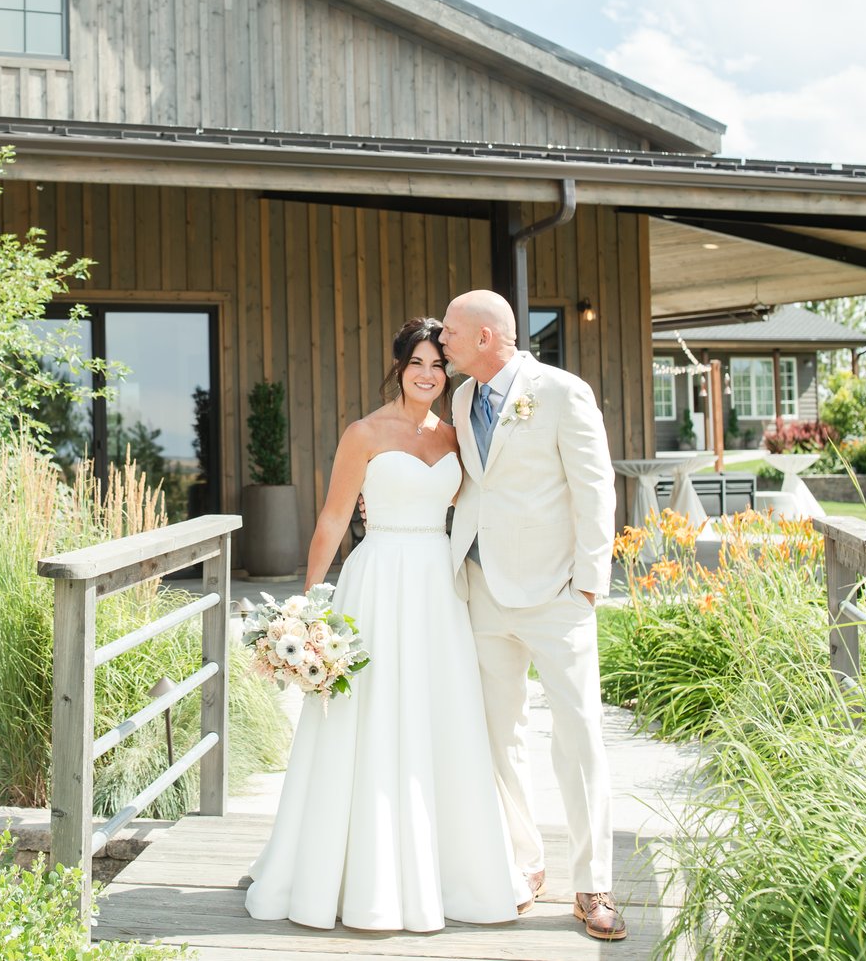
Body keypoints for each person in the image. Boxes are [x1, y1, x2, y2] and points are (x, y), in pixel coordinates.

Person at [244, 317, 530, 932]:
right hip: (375, 580)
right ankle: (352, 873)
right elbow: (331, 519)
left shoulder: (456, 438)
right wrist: (309, 603)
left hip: (438, 585)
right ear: (398, 367)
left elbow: (481, 505)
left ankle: (451, 873)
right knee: (364, 718)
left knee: (442, 715)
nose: (428, 375)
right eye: (417, 364)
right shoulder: (365, 433)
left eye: (437, 365)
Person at [439, 288, 626, 943]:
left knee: (577, 737)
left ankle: (593, 884)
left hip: (556, 594)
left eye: (451, 334)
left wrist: (589, 584)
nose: (443, 344)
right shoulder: (462, 399)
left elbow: (594, 486)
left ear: (487, 336)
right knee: (499, 736)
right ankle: (522, 864)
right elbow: (472, 486)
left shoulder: (561, 391)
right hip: (482, 587)